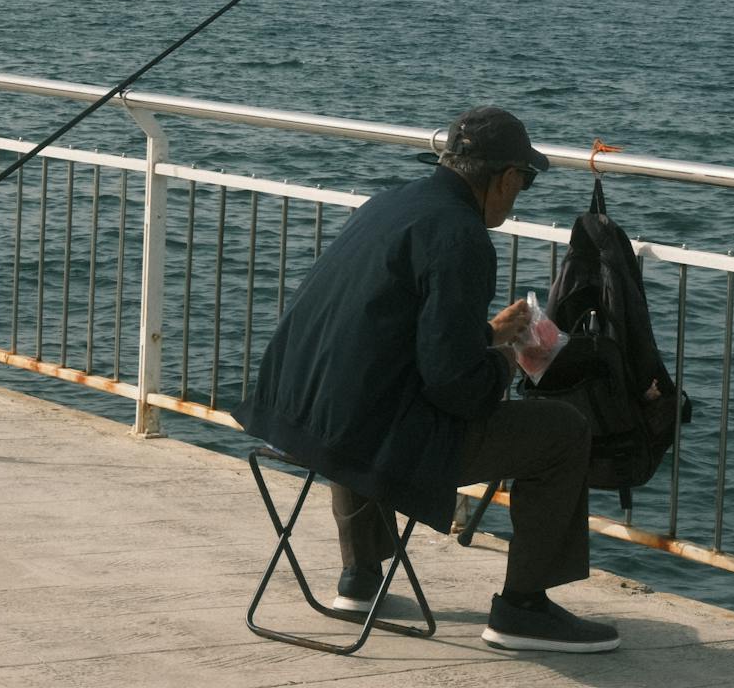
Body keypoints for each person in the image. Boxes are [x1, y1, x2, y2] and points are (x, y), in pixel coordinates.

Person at [232, 106, 618, 654]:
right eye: (523, 184)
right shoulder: (462, 236)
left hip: (295, 418)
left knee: (366, 394)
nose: (517, 196)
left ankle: (361, 576)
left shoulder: (388, 204)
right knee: (563, 430)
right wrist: (511, 356)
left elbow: (391, 336)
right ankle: (523, 609)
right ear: (508, 178)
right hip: (366, 439)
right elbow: (454, 387)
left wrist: (484, 334)